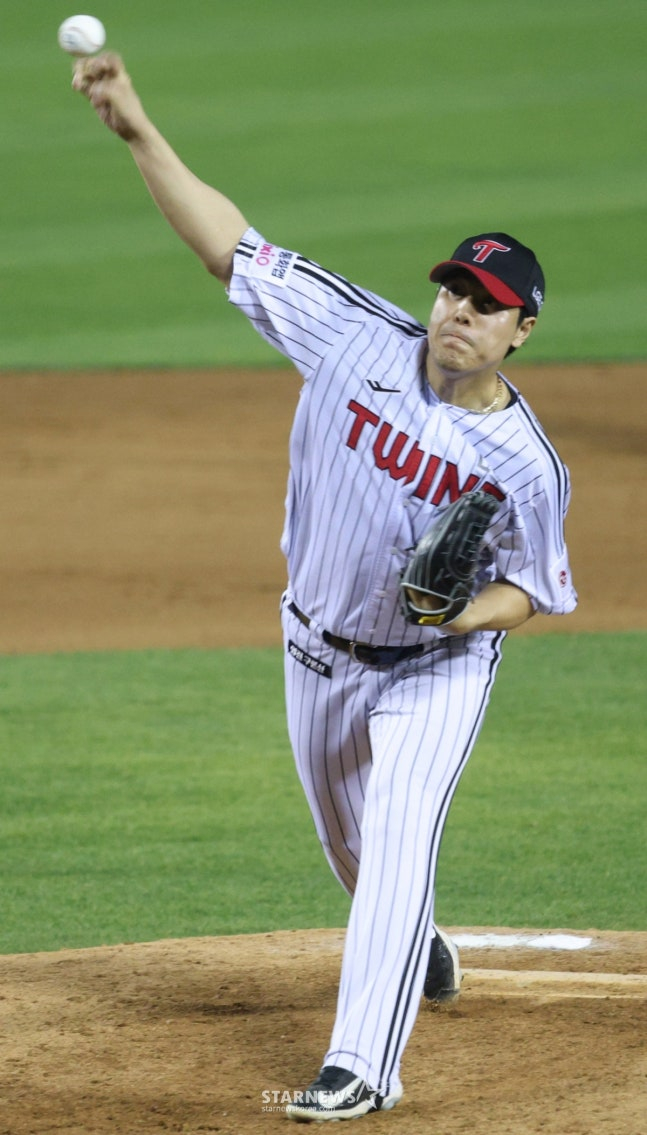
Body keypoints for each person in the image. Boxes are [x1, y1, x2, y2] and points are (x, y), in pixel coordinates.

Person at [71, 55, 577, 1123]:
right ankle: (417, 940)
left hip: (434, 671)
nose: (455, 312)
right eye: (451, 290)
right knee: (353, 856)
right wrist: (136, 130)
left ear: (518, 329)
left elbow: (532, 593)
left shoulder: (526, 465)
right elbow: (230, 247)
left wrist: (459, 611)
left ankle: (361, 1067)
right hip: (314, 651)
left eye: (483, 307)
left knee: (397, 827)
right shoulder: (353, 336)